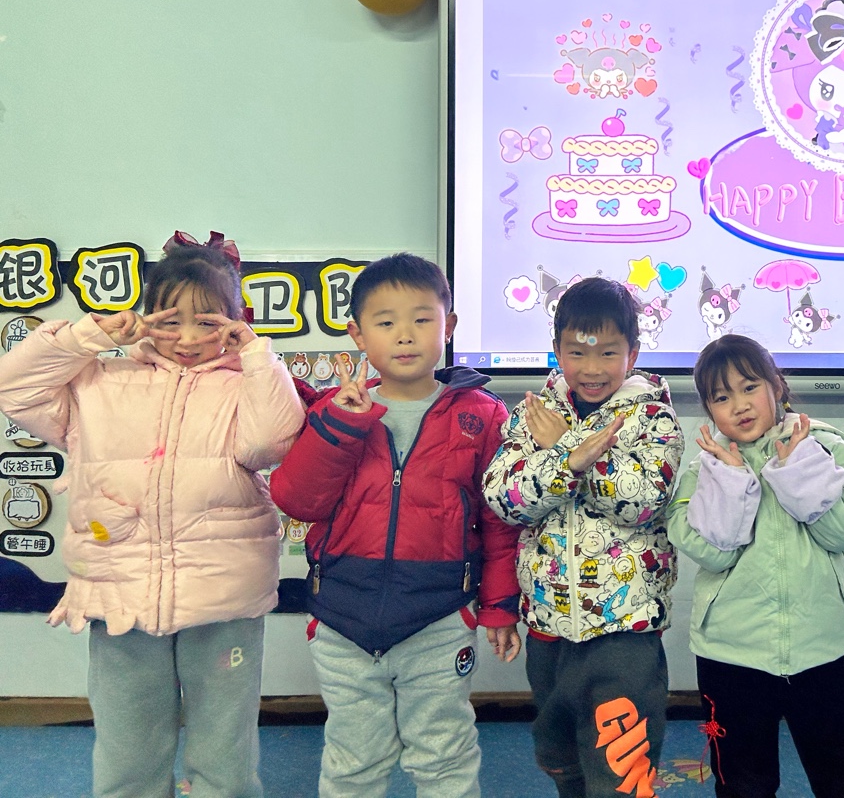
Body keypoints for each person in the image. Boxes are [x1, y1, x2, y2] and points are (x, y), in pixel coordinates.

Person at [0, 231, 305, 798]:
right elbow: (14, 388)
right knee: (128, 748)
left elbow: (274, 440)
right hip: (121, 595)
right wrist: (89, 335)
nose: (187, 338)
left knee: (225, 748)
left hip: (223, 596)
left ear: (234, 322)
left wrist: (256, 354)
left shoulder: (244, 386)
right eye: (171, 320)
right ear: (145, 318)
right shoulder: (100, 381)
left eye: (207, 321)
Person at [269, 253, 521, 798]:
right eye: (386, 322)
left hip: (439, 617)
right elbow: (296, 500)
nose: (405, 335)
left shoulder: (482, 414)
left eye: (422, 319)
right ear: (358, 335)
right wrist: (342, 424)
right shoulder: (336, 408)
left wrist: (500, 606)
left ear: (449, 326)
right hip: (343, 618)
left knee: (445, 755)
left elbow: (499, 521)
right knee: (354, 759)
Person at [483, 277, 683, 798]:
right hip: (548, 628)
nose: (592, 368)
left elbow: (643, 500)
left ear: (633, 353)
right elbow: (504, 498)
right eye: (577, 352)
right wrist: (567, 460)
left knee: (620, 769)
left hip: (625, 629)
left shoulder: (653, 416)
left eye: (608, 352)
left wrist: (568, 447)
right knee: (560, 757)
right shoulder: (533, 415)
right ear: (557, 350)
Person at [671, 334, 844, 798]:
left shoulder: (820, 442)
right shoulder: (706, 467)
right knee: (742, 779)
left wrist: (798, 473)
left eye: (749, 387)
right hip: (730, 651)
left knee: (843, 771)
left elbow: (842, 530)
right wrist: (730, 481)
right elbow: (714, 551)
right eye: (721, 397)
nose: (739, 405)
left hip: (816, 644)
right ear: (709, 409)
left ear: (776, 386)